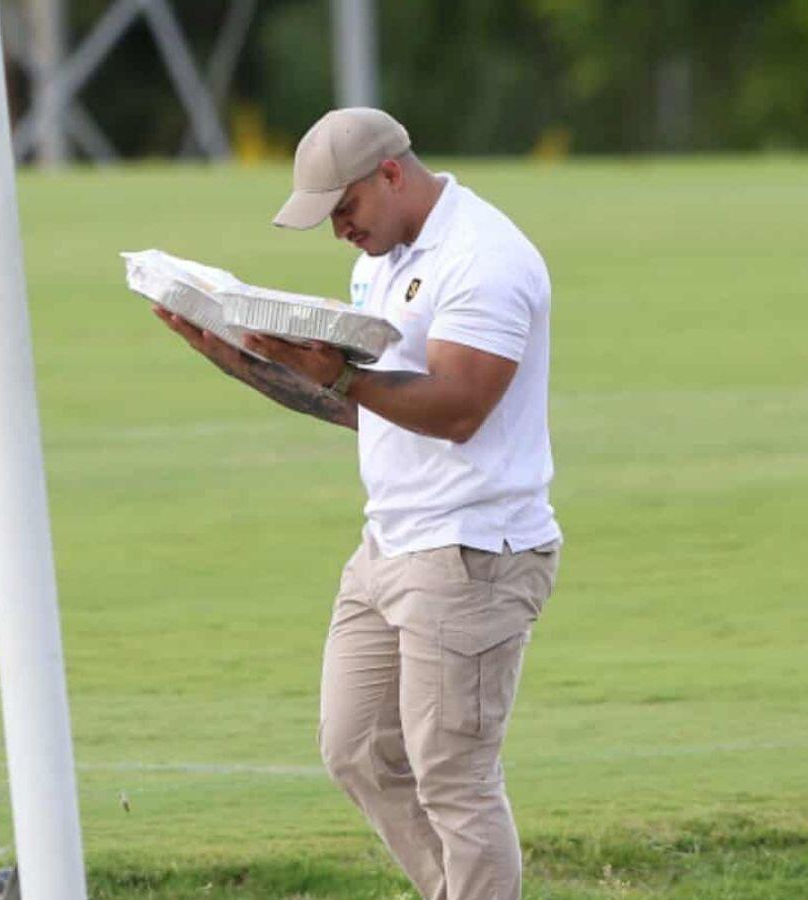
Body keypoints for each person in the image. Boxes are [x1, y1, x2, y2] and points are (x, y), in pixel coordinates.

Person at [154, 107, 561, 900]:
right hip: (388, 547)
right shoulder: (382, 257)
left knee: (455, 781)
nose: (340, 229)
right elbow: (364, 408)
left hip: (472, 554)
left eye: (345, 209)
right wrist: (235, 356)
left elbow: (458, 409)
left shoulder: (485, 257)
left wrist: (339, 372)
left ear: (392, 173)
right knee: (356, 749)